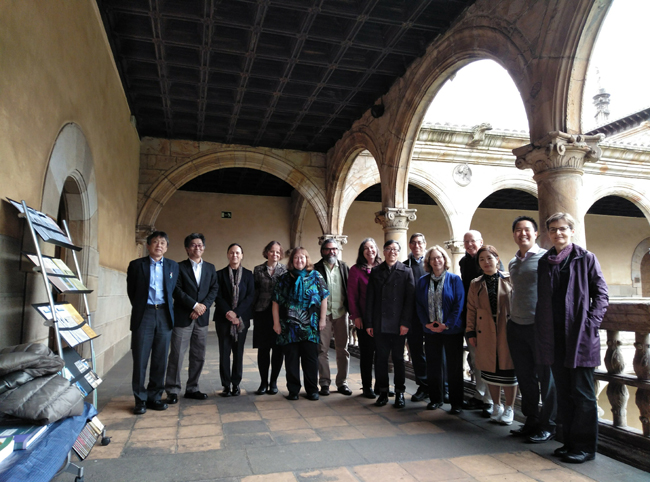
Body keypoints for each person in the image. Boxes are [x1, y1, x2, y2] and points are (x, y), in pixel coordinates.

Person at [535, 212, 608, 464]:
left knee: (583, 394)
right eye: (553, 229)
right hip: (553, 337)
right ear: (548, 233)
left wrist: (590, 324)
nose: (558, 233)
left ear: (572, 231)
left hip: (579, 336)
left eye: (563, 228)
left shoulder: (586, 258)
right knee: (564, 393)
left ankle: (585, 448)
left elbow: (601, 294)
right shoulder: (545, 261)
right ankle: (569, 443)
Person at [507, 217, 557, 442]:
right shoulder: (513, 262)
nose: (522, 233)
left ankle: (549, 424)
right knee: (525, 377)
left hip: (539, 327)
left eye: (527, 230)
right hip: (516, 326)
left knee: (546, 378)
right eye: (518, 230)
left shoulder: (546, 259)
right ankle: (531, 419)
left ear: (536, 233)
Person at [126, 231, 179, 415]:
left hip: (164, 315)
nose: (159, 245)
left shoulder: (173, 266)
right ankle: (140, 399)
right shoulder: (136, 265)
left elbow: (174, 290)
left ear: (166, 247)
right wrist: (143, 308)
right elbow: (132, 292)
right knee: (140, 359)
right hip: (145, 315)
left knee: (160, 359)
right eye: (155, 242)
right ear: (148, 246)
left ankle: (155, 396)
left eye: (163, 243)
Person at [466, 245, 517, 425]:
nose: (486, 262)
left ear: (497, 258)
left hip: (506, 330)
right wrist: (470, 331)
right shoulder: (476, 283)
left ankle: (510, 407)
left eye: (489, 258)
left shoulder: (510, 279)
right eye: (482, 259)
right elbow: (471, 309)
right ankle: (497, 405)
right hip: (485, 331)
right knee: (490, 370)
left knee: (509, 371)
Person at [165, 233, 218, 403]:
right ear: (187, 249)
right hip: (183, 317)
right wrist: (194, 305)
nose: (198, 247)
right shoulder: (178, 267)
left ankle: (193, 387)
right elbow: (176, 290)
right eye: (194, 245)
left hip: (201, 319)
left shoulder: (210, 268)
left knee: (198, 355)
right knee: (177, 355)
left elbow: (213, 289)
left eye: (200, 245)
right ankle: (172, 389)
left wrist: (202, 307)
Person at [273, 247, 329, 401]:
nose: (299, 260)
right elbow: (276, 302)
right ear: (291, 261)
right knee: (291, 360)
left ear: (307, 259)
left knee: (310, 359)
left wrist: (322, 319)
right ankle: (293, 390)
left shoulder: (316, 276)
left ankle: (312, 390)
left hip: (310, 326)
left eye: (302, 257)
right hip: (289, 327)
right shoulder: (284, 278)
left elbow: (324, 298)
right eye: (296, 258)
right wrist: (276, 323)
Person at [365, 240, 415, 409]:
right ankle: (384, 392)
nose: (392, 252)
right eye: (389, 249)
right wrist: (369, 323)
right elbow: (370, 299)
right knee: (380, 359)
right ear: (384, 252)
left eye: (395, 249)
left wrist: (405, 323)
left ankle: (400, 392)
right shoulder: (376, 271)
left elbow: (410, 301)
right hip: (380, 323)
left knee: (399, 359)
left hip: (399, 323)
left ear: (399, 252)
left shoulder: (406, 271)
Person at [415, 246, 465, 414]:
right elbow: (419, 305)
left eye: (439, 257)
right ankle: (436, 399)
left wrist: (447, 324)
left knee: (454, 367)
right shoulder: (422, 281)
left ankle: (457, 402)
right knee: (434, 366)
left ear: (445, 260)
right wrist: (426, 323)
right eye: (433, 258)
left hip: (452, 330)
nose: (436, 261)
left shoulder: (454, 280)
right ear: (428, 262)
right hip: (430, 330)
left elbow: (459, 304)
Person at [459, 230, 493, 415]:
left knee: (487, 359)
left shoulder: (489, 258)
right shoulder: (464, 262)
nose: (470, 244)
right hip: (470, 317)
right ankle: (480, 395)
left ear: (481, 241)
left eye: (473, 241)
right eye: (467, 241)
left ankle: (490, 399)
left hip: (487, 319)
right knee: (474, 359)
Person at [214, 243, 255, 397]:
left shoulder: (249, 275)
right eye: (232, 253)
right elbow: (217, 296)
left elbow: (250, 296)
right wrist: (229, 313)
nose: (234, 255)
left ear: (242, 255)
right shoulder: (219, 274)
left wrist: (236, 314)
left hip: (241, 320)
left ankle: (236, 384)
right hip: (223, 319)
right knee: (224, 352)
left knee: (238, 353)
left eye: (237, 253)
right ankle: (225, 385)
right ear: (227, 255)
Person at [314, 239, 351, 396]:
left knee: (343, 350)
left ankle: (342, 382)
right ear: (322, 251)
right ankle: (324, 383)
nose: (332, 252)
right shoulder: (315, 268)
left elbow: (349, 290)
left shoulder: (344, 267)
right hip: (324, 315)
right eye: (328, 249)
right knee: (322, 350)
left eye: (334, 249)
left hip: (341, 314)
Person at [347, 238, 382, 399]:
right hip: (364, 318)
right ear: (362, 252)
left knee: (381, 354)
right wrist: (356, 316)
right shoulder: (355, 270)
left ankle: (380, 386)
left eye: (372, 247)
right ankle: (367, 386)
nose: (370, 250)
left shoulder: (383, 268)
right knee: (367, 354)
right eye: (366, 248)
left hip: (382, 319)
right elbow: (352, 296)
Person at [252, 241, 287, 395]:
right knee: (263, 349)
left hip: (280, 314)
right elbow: (254, 292)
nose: (275, 254)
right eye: (272, 251)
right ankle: (263, 382)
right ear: (266, 252)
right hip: (262, 312)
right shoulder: (258, 270)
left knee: (278, 349)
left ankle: (273, 382)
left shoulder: (285, 271)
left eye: (278, 252)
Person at [404, 233, 429, 403]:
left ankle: (439, 386)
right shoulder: (404, 266)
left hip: (431, 316)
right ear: (410, 245)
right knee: (416, 352)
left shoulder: (433, 263)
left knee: (435, 352)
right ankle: (423, 385)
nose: (417, 245)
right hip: (413, 316)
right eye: (413, 243)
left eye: (420, 242)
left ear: (425, 244)